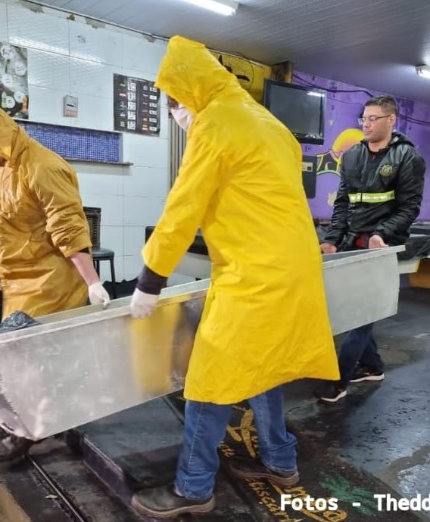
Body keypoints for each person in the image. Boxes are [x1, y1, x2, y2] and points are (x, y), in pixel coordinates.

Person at [127, 36, 339, 519]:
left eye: (175, 102)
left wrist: (149, 280)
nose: (175, 112)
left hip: (255, 277)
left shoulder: (217, 124)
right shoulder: (273, 125)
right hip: (294, 270)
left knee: (209, 380)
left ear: (192, 91)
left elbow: (184, 207)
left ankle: (194, 488)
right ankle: (281, 463)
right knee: (263, 366)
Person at [0, 101, 111, 461]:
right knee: (39, 359)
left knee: (29, 361)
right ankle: (58, 422)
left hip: (53, 281)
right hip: (19, 281)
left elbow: (69, 228)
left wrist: (92, 282)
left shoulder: (44, 167)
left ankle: (26, 434)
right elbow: (0, 222)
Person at [314, 95, 426, 403]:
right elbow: (342, 204)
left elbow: (409, 206)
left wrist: (382, 234)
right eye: (364, 118)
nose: (366, 123)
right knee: (360, 308)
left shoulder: (407, 157)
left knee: (361, 313)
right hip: (352, 242)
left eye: (373, 118)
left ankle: (339, 378)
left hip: (380, 245)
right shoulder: (351, 157)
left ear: (391, 120)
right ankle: (373, 365)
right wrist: (332, 238)